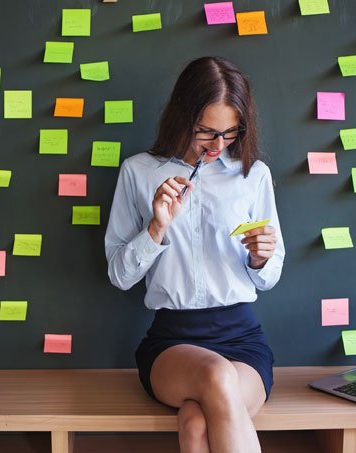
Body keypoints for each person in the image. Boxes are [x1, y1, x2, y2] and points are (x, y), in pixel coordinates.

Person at [104, 56, 285, 453]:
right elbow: (119, 275)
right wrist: (156, 228)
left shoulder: (254, 175)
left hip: (243, 339)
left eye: (231, 133)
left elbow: (269, 276)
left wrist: (260, 258)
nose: (219, 145)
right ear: (183, 116)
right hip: (172, 342)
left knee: (196, 424)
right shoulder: (138, 172)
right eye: (207, 132)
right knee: (216, 376)